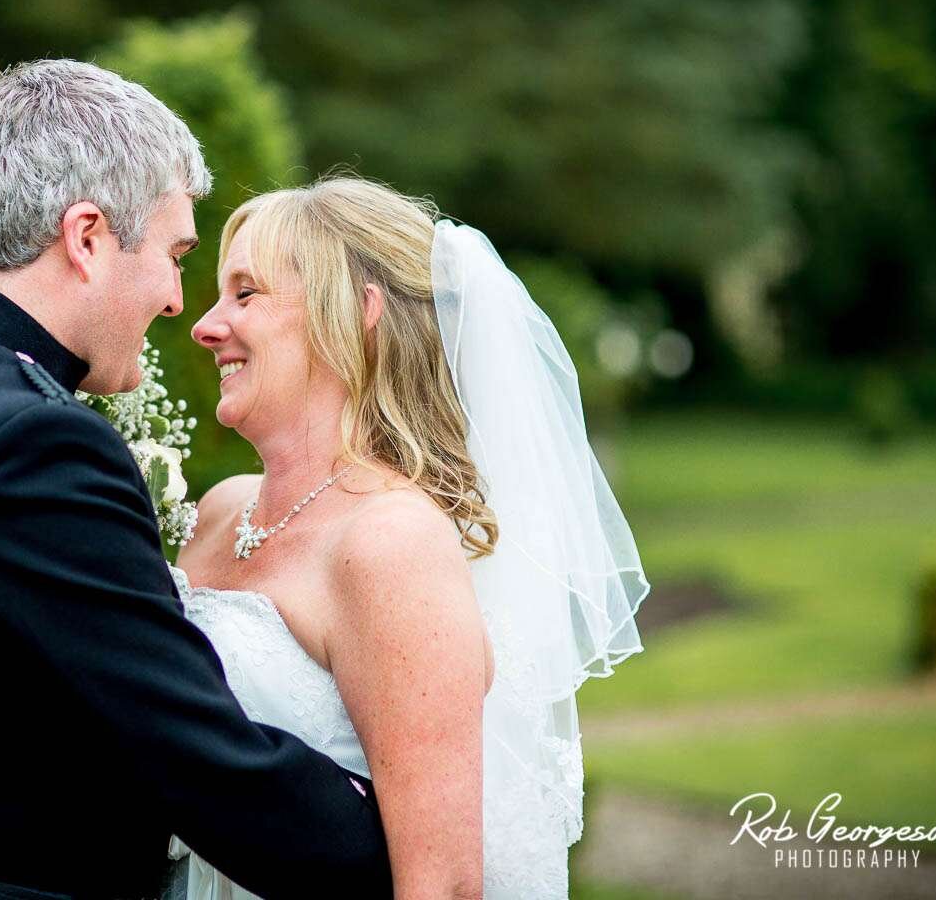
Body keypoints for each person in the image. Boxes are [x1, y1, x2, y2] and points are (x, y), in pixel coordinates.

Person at [0, 62, 392, 900]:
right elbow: (187, 755)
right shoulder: (31, 442)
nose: (177, 302)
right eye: (174, 254)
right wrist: (406, 852)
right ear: (87, 237)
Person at [174, 175, 651, 899]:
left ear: (359, 312)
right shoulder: (218, 512)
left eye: (246, 294)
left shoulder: (391, 542)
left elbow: (443, 883)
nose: (204, 326)